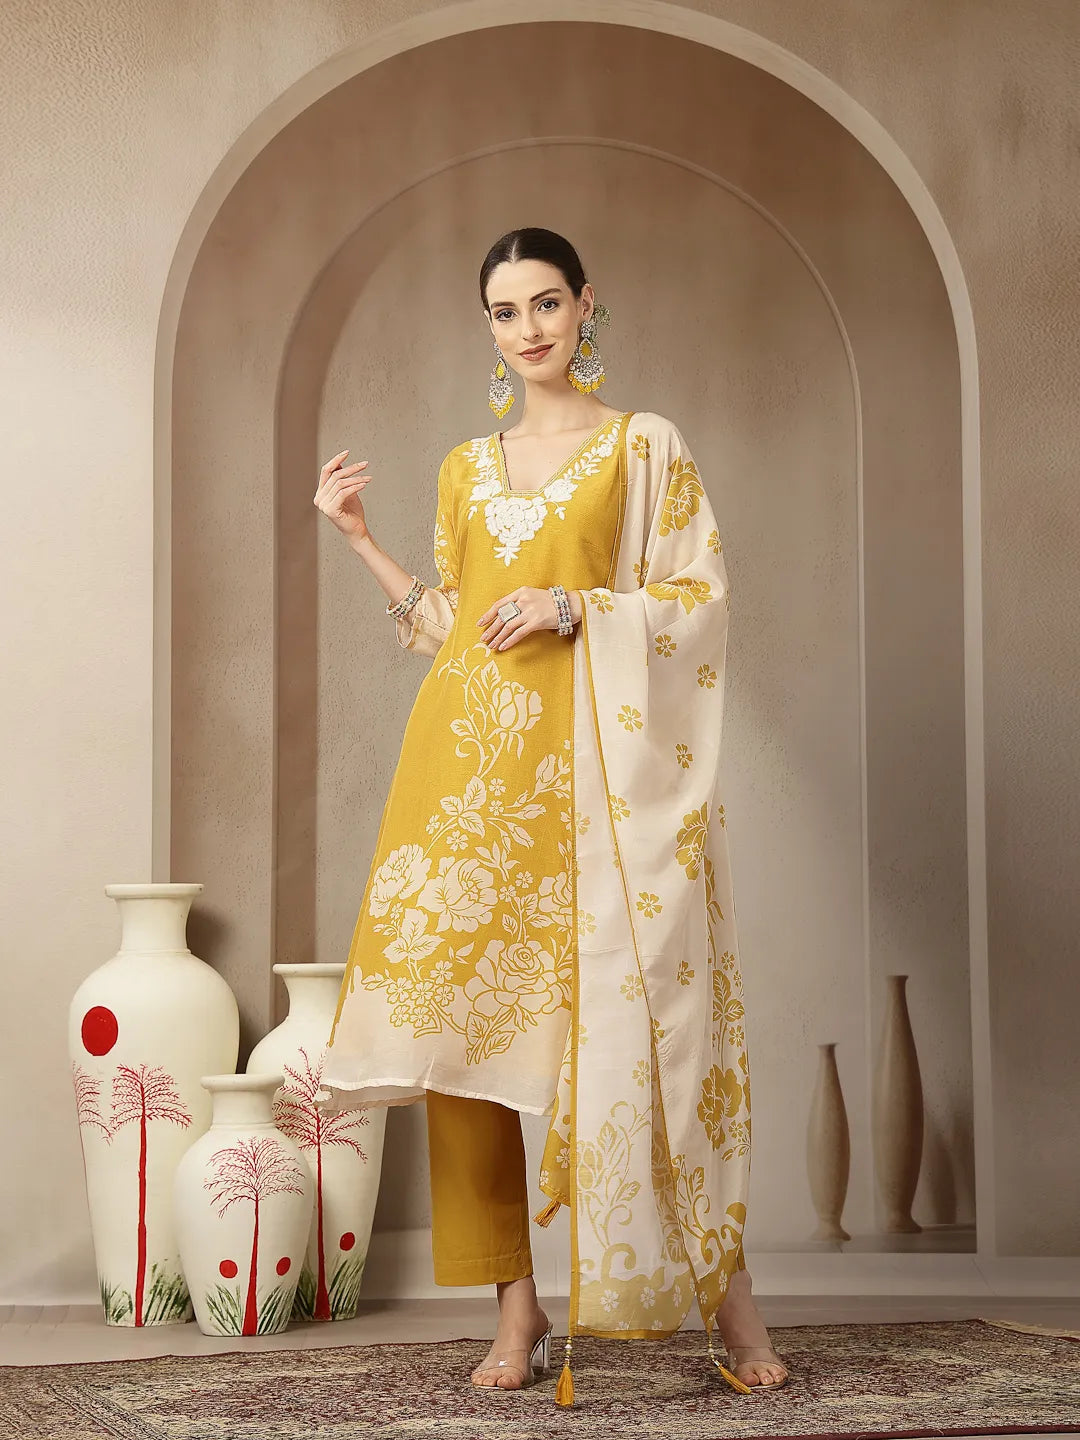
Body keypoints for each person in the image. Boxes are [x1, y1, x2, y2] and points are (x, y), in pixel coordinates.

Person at [314, 228, 788, 1402]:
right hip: (466, 789)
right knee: (460, 1050)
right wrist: (361, 541)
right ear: (487, 327)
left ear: (586, 307)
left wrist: (576, 607)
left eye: (545, 303)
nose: (527, 328)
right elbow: (453, 625)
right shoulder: (464, 467)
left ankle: (729, 1303)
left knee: (655, 1030)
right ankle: (514, 1313)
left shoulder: (644, 446)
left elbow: (699, 599)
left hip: (597, 790)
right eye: (504, 310)